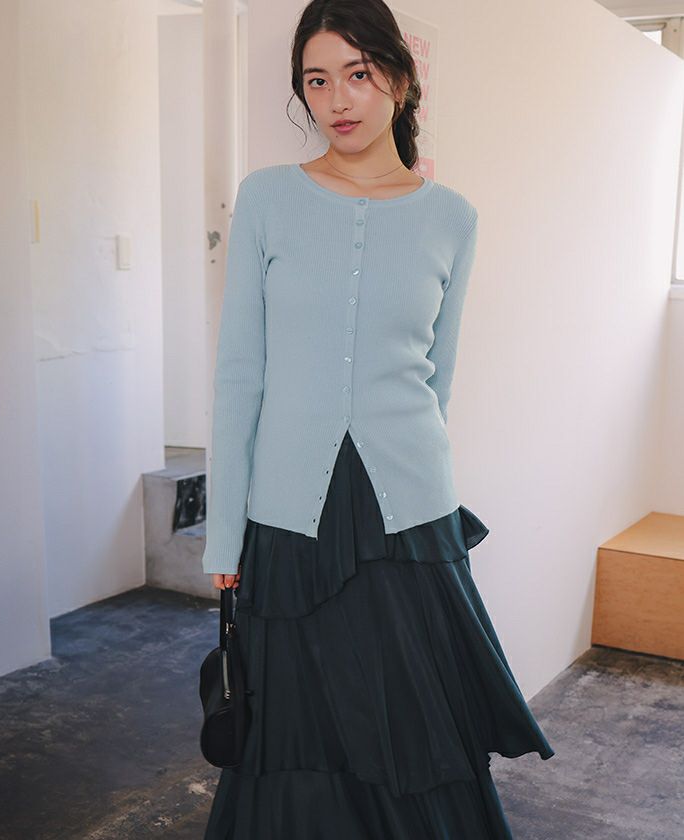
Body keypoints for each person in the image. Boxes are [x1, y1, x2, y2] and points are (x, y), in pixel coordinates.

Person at [201, 0, 555, 836]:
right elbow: (239, 377)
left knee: (417, 723)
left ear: (398, 77)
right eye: (317, 80)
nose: (338, 99)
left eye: (357, 74)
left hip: (409, 515)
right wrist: (223, 538)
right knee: (294, 728)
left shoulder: (452, 218)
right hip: (288, 513)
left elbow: (437, 379)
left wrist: (411, 473)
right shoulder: (266, 199)